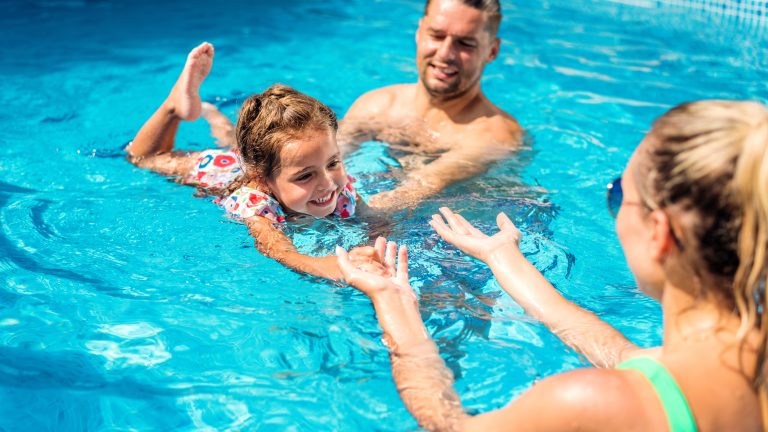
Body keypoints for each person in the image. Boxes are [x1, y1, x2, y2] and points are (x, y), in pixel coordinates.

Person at [336, 100, 768, 430]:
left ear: (661, 234)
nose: (614, 210)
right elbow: (630, 358)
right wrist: (504, 258)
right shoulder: (742, 366)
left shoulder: (587, 403)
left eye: (617, 195)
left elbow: (450, 424)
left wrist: (394, 300)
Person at [126, 42, 367, 281]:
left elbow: (377, 222)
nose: (328, 183)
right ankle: (174, 107)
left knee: (231, 137)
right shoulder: (254, 204)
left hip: (260, 158)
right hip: (221, 170)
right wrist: (326, 266)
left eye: (333, 163)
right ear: (261, 179)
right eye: (305, 175)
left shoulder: (336, 184)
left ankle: (211, 114)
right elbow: (280, 251)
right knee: (144, 158)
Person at [338, 0, 523, 210]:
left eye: (465, 43)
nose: (445, 54)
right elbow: (321, 163)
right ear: (419, 32)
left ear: (492, 50)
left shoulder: (494, 134)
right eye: (436, 35)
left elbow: (406, 198)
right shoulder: (376, 105)